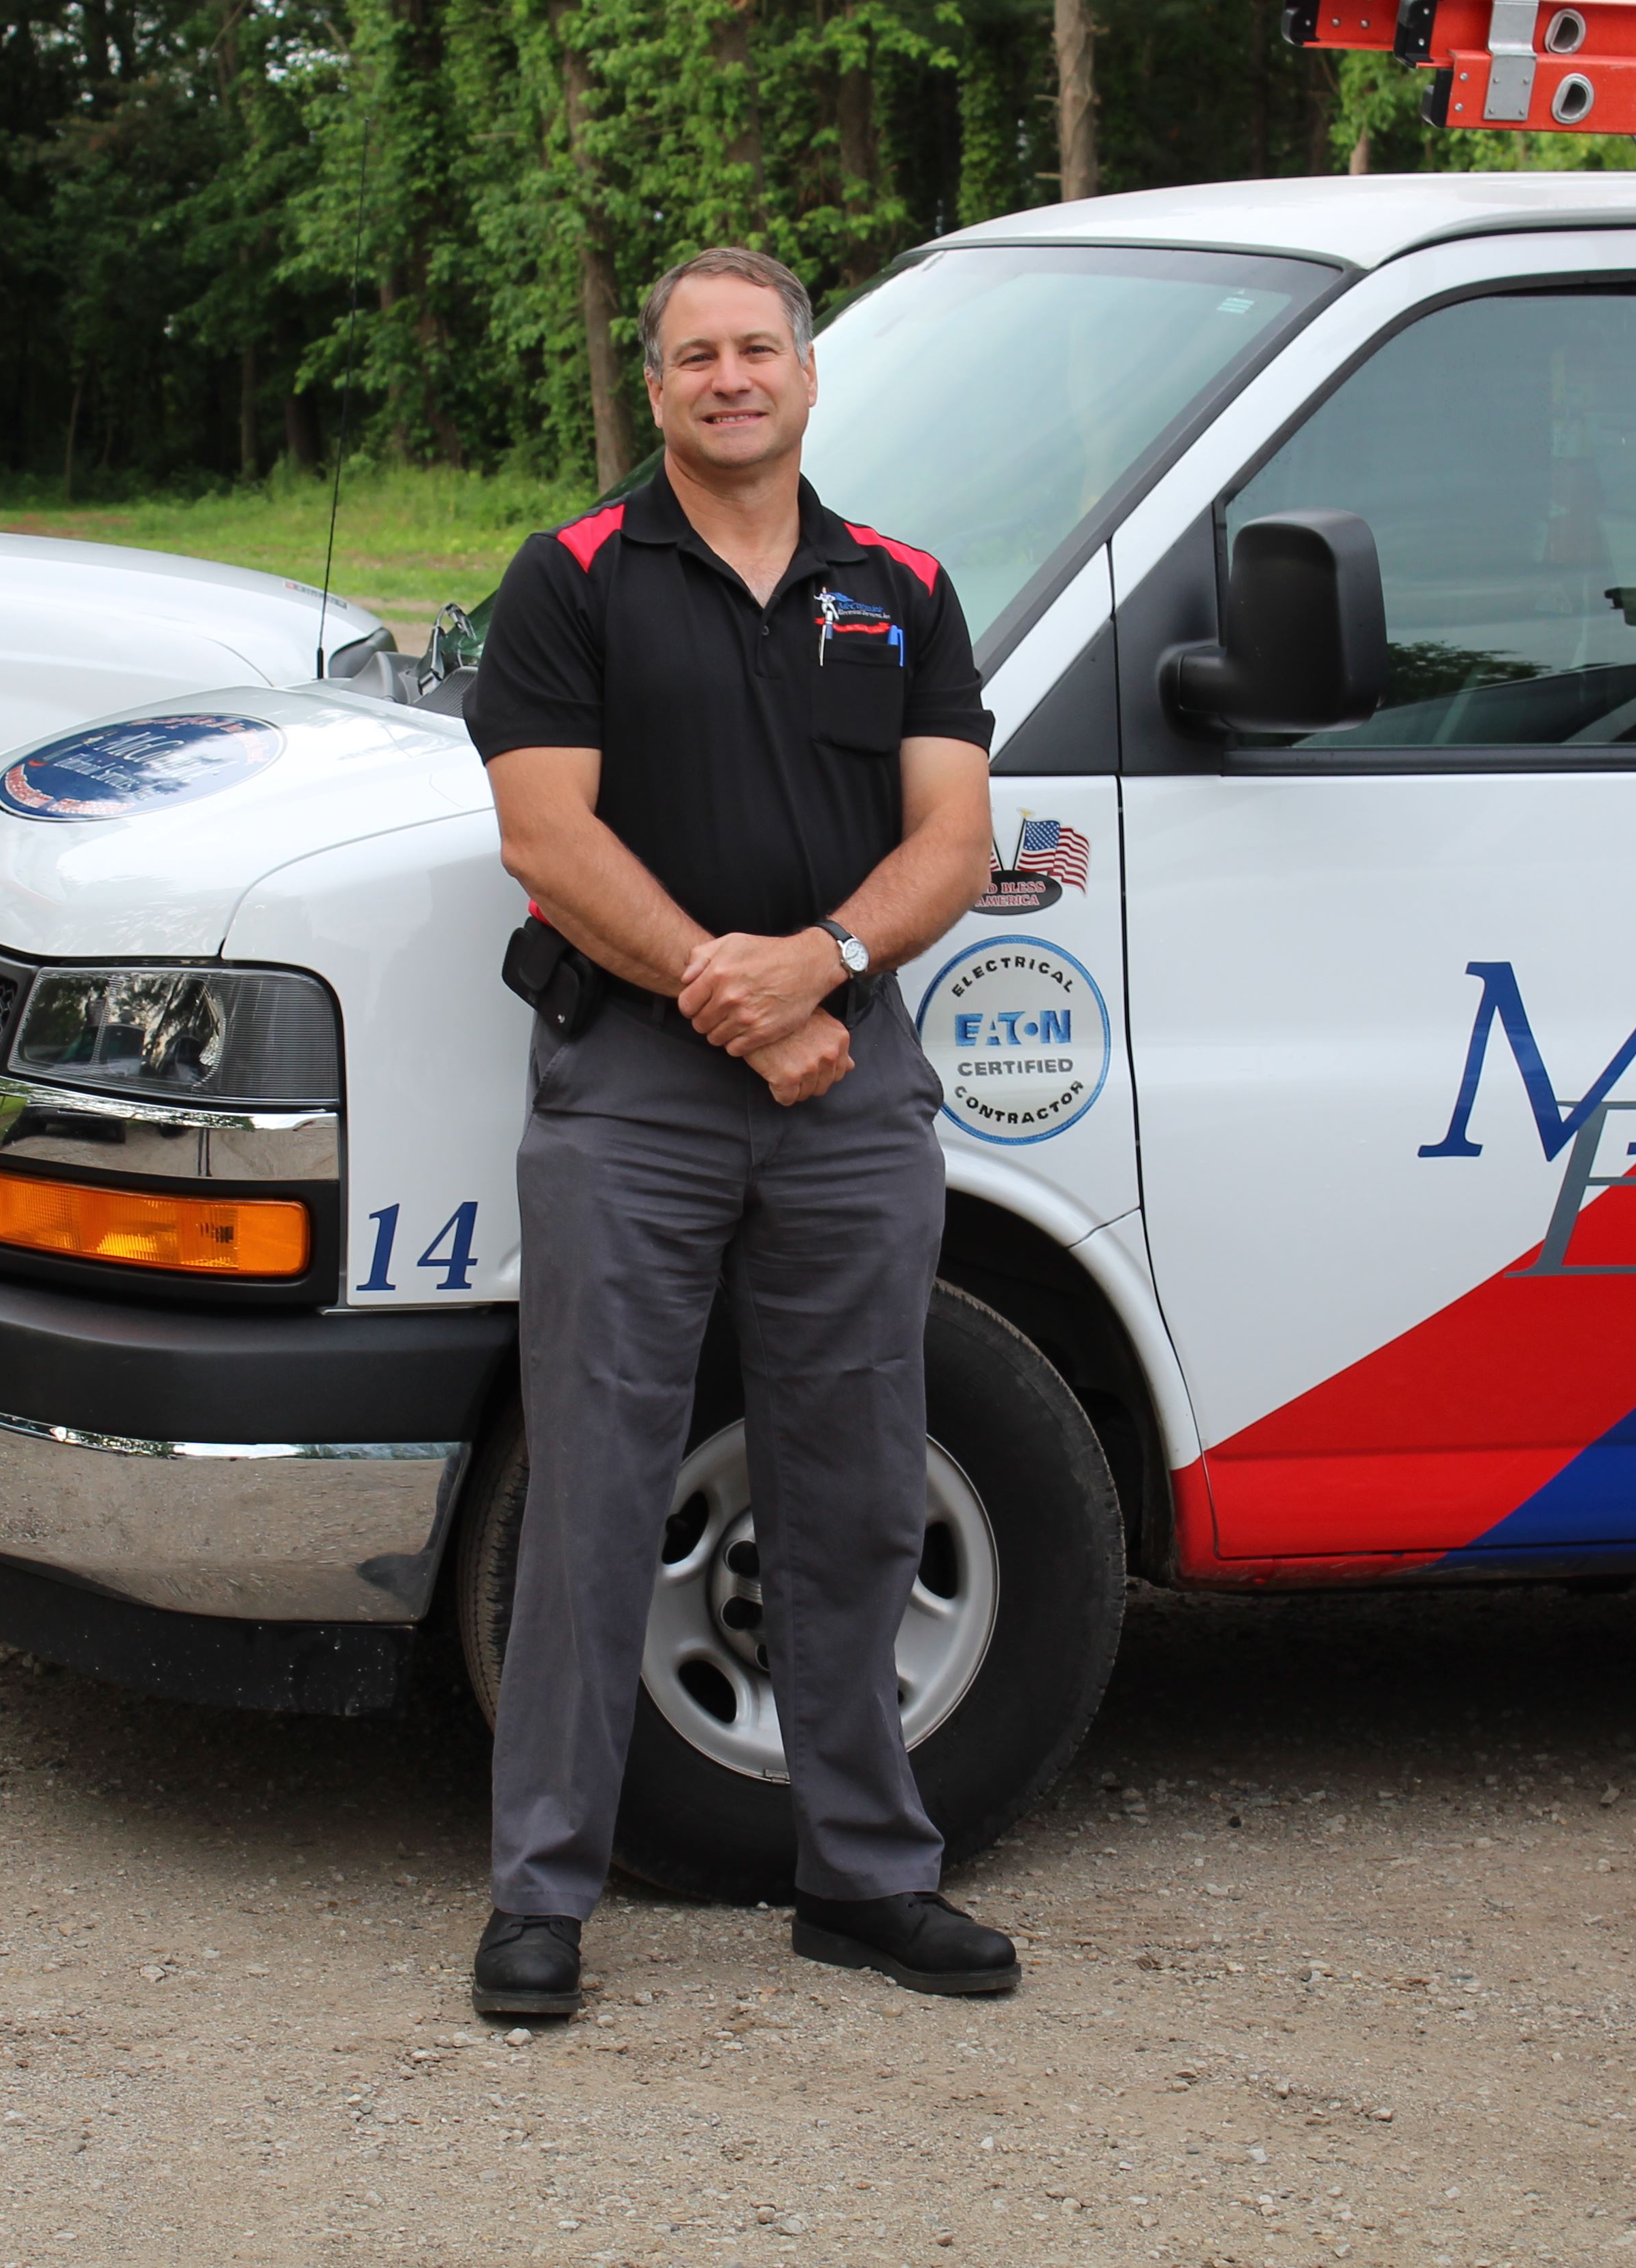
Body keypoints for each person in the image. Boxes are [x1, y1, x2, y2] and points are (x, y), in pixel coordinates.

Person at [459, 245, 1014, 2017]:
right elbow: (546, 837)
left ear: (806, 375)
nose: (728, 377)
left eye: (756, 347)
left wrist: (828, 967)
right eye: (694, 354)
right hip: (635, 1089)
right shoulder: (573, 580)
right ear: (657, 385)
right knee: (596, 1498)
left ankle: (865, 1875)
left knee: (852, 1492)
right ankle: (542, 1897)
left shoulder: (904, 588)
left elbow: (953, 841)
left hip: (850, 1090)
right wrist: (734, 993)